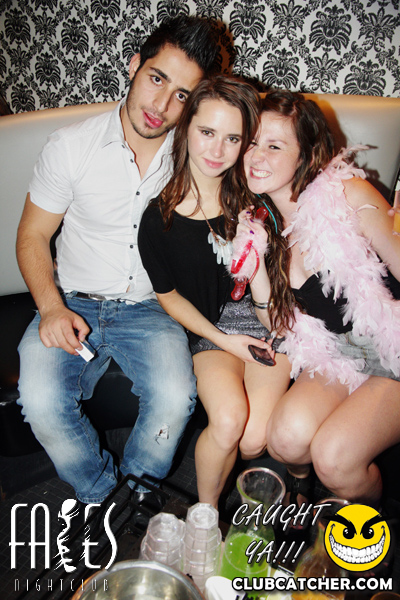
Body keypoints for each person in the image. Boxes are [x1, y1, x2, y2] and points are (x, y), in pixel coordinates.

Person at [16, 15, 219, 511]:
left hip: (153, 307)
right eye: (156, 78)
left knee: (175, 398)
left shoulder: (196, 159)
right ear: (134, 66)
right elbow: (32, 235)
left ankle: (138, 491)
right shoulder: (71, 146)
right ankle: (103, 496)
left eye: (182, 95)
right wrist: (51, 308)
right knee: (39, 400)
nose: (162, 105)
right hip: (71, 300)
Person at [238, 89, 400, 507]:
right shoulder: (262, 224)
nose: (256, 156)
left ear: (306, 154)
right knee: (285, 439)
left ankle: (369, 523)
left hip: (393, 348)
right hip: (338, 353)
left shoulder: (348, 195)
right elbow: (280, 326)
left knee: (335, 459)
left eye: (275, 146)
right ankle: (301, 492)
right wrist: (255, 269)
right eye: (252, 142)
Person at [138, 76, 291, 509]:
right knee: (227, 420)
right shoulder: (158, 219)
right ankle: (204, 517)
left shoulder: (257, 198)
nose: (217, 150)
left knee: (253, 438)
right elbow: (169, 296)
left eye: (233, 138)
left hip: (266, 320)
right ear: (186, 127)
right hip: (210, 330)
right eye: (207, 132)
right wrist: (224, 340)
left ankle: (290, 482)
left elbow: (280, 297)